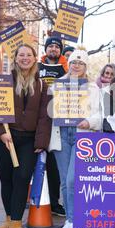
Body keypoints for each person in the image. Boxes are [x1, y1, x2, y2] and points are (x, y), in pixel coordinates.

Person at [0, 44, 51, 228]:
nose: (25, 58)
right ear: (15, 59)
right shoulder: (3, 81)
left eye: (29, 55)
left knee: (22, 177)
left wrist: (41, 141)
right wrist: (0, 133)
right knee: (6, 178)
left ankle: (16, 223)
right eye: (21, 55)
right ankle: (8, 219)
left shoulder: (42, 85)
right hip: (4, 138)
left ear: (35, 59)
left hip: (28, 140)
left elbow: (44, 116)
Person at [49, 49, 102, 228]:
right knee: (64, 181)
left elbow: (99, 114)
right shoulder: (58, 86)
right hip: (61, 133)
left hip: (82, 134)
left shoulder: (93, 88)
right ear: (68, 64)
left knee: (73, 180)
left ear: (86, 67)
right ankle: (69, 221)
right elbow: (49, 110)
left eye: (80, 63)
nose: (76, 66)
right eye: (73, 62)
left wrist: (90, 122)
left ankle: (74, 219)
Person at [38, 36, 68, 217]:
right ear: (46, 49)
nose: (54, 49)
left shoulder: (66, 68)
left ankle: (55, 202)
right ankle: (39, 201)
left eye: (57, 47)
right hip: (40, 120)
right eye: (51, 46)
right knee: (40, 164)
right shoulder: (36, 68)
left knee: (56, 166)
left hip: (59, 121)